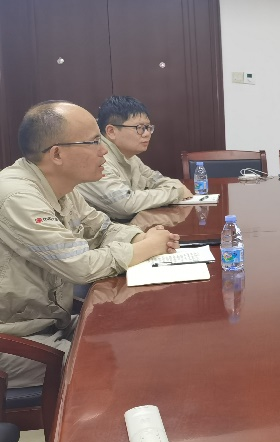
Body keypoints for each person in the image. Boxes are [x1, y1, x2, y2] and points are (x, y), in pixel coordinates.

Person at [0, 101, 179, 387]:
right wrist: (146, 248)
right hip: (14, 340)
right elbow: (80, 267)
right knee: (119, 368)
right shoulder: (17, 196)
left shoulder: (62, 186)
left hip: (52, 322)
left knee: (141, 334)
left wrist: (139, 237)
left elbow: (102, 228)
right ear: (57, 154)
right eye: (94, 141)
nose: (104, 150)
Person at [76, 96, 190, 219]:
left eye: (148, 128)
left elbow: (156, 180)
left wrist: (175, 188)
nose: (147, 134)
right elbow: (125, 204)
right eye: (140, 128)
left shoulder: (130, 156)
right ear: (111, 131)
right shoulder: (97, 159)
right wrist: (176, 192)